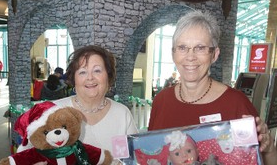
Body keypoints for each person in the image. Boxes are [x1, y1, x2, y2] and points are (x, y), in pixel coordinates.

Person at [148, 10, 277, 165]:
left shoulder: (236, 103)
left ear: (214, 54)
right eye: (182, 47)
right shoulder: (162, 100)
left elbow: (261, 159)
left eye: (200, 47)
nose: (190, 56)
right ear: (173, 53)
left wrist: (268, 148)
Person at [53, 45, 138, 156]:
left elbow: (132, 158)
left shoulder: (121, 114)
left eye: (97, 71)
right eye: (82, 72)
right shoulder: (54, 111)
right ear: (74, 78)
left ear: (108, 76)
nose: (90, 78)